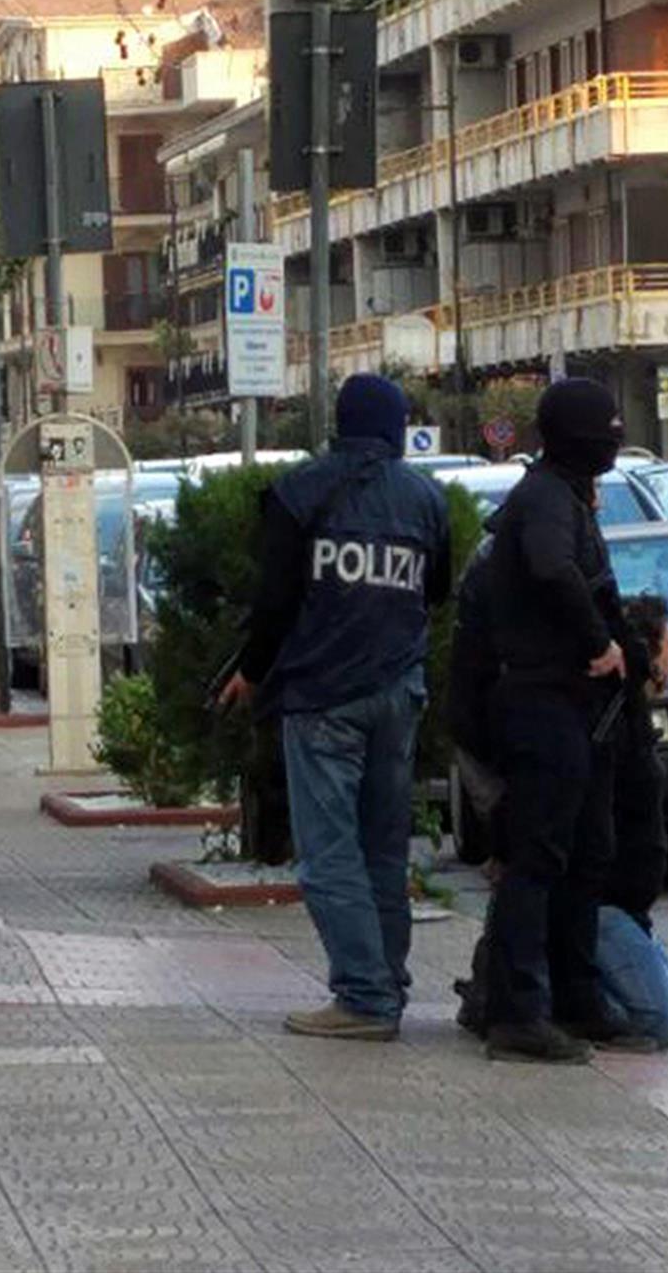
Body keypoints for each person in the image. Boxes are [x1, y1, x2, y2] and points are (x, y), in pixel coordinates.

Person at [220, 374, 451, 1040]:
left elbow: (274, 601)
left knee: (328, 855)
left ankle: (364, 996)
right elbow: (436, 588)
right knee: (384, 849)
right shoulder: (425, 499)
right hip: (398, 692)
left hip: (322, 696)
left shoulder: (301, 491)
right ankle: (387, 982)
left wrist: (250, 672)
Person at [467, 378, 650, 1064]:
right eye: (606, 428)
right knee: (540, 856)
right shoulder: (545, 497)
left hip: (579, 708)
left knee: (586, 854)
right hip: (543, 702)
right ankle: (517, 1012)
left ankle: (577, 1000)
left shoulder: (565, 494)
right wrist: (598, 643)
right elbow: (551, 567)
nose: (613, 439)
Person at [597, 593, 668, 1050]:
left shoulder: (635, 716)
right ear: (648, 654)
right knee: (661, 1023)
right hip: (604, 906)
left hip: (630, 909)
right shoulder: (616, 721)